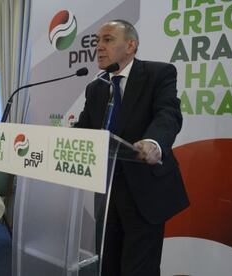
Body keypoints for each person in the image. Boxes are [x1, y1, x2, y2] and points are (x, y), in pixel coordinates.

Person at [75, 20, 190, 276]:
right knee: (107, 264)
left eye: (107, 40)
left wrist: (153, 142)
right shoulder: (96, 87)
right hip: (106, 192)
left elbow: (168, 114)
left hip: (144, 190)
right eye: (97, 41)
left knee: (140, 269)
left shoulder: (158, 74)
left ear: (131, 45)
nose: (99, 47)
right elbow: (84, 131)